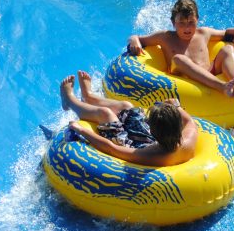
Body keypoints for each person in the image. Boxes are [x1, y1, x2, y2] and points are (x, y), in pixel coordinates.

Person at [126, 0, 234, 101]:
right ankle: (222, 87)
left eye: (191, 22)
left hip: (209, 73)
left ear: (197, 20)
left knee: (228, 49)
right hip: (182, 80)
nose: (187, 28)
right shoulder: (164, 37)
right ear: (173, 23)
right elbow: (139, 39)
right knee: (178, 59)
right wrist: (133, 39)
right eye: (181, 23)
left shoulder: (204, 33)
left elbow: (228, 34)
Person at [60, 71, 198, 167]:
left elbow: (112, 149)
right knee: (127, 107)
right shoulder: (189, 138)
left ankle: (69, 100)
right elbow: (190, 121)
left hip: (129, 144)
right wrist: (176, 106)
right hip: (152, 140)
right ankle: (89, 97)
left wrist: (83, 131)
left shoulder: (150, 155)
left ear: (151, 129)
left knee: (106, 114)